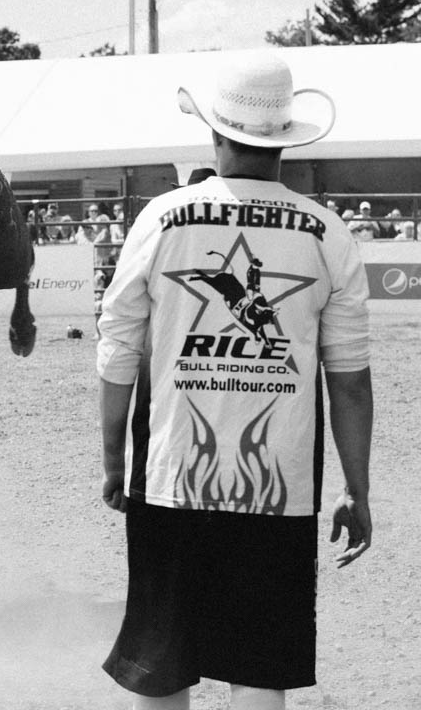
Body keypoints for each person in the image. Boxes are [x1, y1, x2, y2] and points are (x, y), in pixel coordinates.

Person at [96, 52, 373, 710]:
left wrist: (114, 460)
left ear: (216, 135)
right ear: (283, 142)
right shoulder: (328, 232)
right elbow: (351, 382)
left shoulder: (161, 219)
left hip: (169, 473)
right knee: (257, 668)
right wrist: (356, 490)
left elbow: (117, 351)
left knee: (163, 664)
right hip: (281, 484)